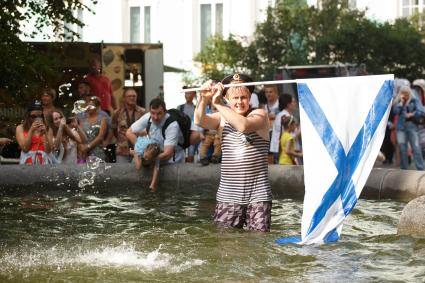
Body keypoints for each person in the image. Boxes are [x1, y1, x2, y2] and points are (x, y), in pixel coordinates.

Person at [194, 73, 272, 232]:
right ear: (228, 99)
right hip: (228, 195)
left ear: (250, 98)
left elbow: (243, 126)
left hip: (258, 195)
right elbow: (199, 120)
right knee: (226, 241)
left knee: (259, 243)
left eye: (243, 97)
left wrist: (218, 104)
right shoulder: (221, 118)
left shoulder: (259, 114)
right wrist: (203, 98)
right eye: (235, 98)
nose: (239, 102)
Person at [126, 98, 185, 165]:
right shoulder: (148, 117)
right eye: (153, 113)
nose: (155, 117)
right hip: (155, 158)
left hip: (173, 161)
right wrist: (141, 147)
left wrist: (148, 157)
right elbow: (129, 132)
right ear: (150, 111)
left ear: (165, 112)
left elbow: (167, 154)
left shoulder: (172, 125)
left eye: (159, 113)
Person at [392, 85, 425, 170]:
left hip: (412, 126)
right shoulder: (399, 102)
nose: (405, 95)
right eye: (403, 93)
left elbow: (421, 111)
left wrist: (412, 114)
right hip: (401, 127)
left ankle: (420, 169)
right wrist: (401, 103)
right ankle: (404, 169)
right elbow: (395, 111)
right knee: (402, 149)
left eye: (406, 93)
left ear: (409, 92)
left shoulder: (414, 100)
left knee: (416, 147)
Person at [111, 88, 146, 163]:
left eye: (134, 96)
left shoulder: (143, 112)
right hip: (122, 150)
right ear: (124, 98)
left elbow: (147, 129)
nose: (132, 98)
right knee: (121, 173)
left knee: (138, 173)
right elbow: (114, 129)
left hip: (139, 149)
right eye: (129, 96)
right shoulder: (117, 113)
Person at [79, 96, 107, 162]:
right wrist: (82, 147)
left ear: (97, 107)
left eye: (91, 106)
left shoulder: (102, 119)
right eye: (88, 105)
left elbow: (100, 137)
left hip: (97, 150)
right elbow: (80, 136)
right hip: (84, 152)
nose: (89, 107)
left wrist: (88, 147)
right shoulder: (82, 120)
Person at [270, 93, 297, 161]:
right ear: (288, 104)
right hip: (282, 151)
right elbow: (288, 135)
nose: (295, 103)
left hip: (280, 149)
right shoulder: (285, 117)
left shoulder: (282, 115)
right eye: (293, 102)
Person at [179, 86, 197, 162]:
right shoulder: (180, 108)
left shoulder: (196, 108)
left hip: (192, 134)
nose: (187, 95)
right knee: (181, 155)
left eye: (189, 93)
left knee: (191, 154)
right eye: (186, 93)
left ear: (194, 95)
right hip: (182, 135)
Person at [263, 84, 280, 163]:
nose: (268, 94)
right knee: (269, 157)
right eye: (266, 92)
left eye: (270, 92)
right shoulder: (264, 106)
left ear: (276, 93)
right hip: (268, 134)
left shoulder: (281, 104)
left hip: (280, 134)